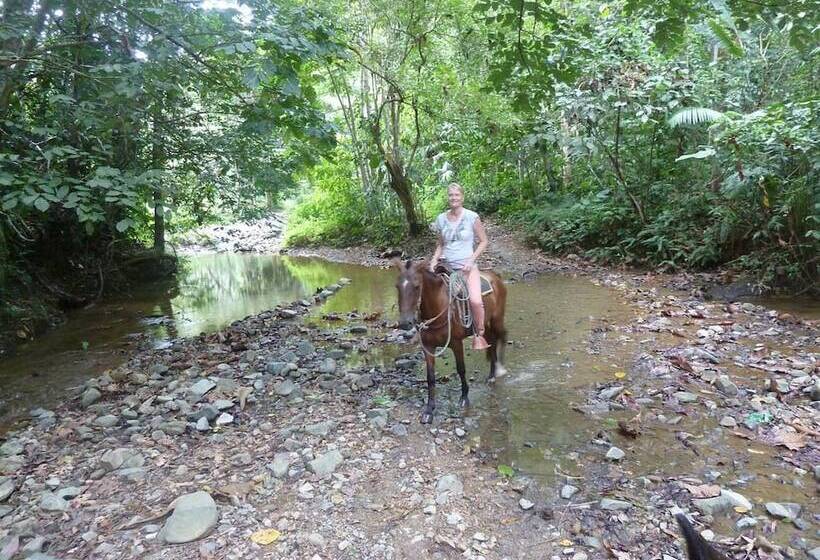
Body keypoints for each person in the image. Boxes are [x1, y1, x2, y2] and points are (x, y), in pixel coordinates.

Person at [430, 182, 490, 350]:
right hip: (446, 267)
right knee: (428, 294)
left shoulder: (472, 217)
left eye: (457, 195)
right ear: (448, 198)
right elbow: (440, 244)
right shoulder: (441, 219)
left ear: (462, 197)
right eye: (451, 195)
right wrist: (434, 260)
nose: (454, 198)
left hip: (467, 267)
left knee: (476, 301)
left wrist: (471, 260)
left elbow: (484, 241)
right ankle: (428, 329)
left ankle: (479, 333)